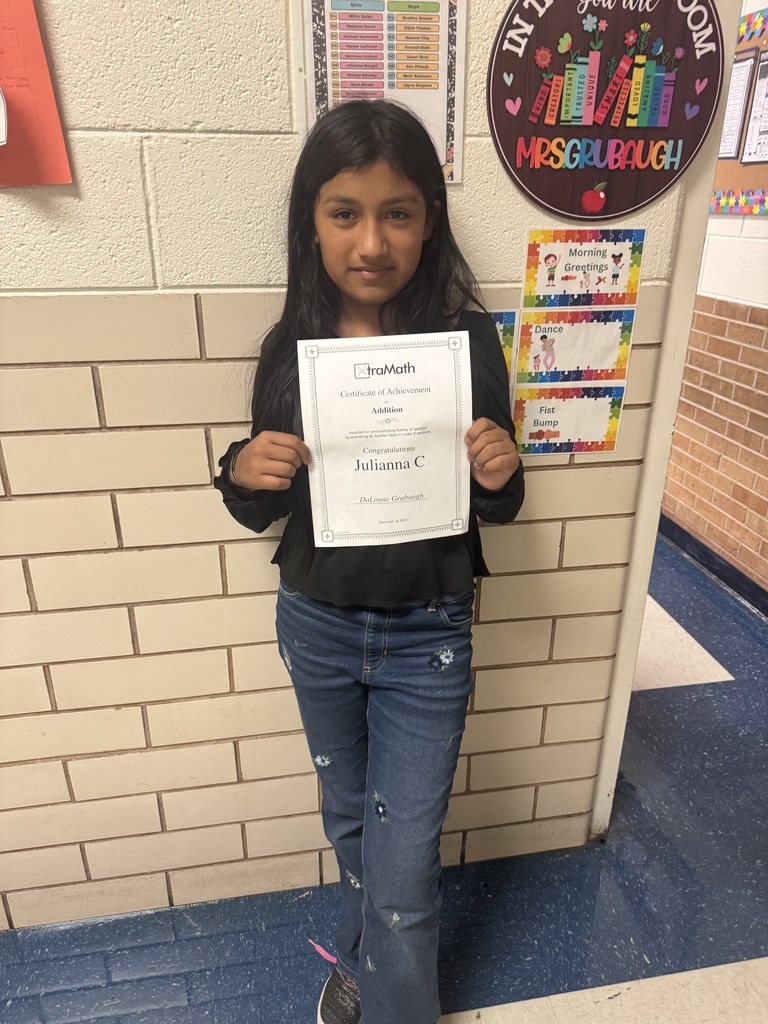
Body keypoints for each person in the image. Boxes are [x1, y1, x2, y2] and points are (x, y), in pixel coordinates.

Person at [214, 99, 524, 1024]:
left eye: (399, 213)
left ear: (429, 218)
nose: (373, 242)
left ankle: (395, 1004)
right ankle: (363, 962)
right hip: (316, 624)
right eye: (344, 212)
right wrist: (242, 468)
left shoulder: (465, 344)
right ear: (311, 222)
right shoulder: (291, 349)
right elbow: (257, 504)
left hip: (429, 636)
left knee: (403, 865)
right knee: (352, 827)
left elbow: (498, 502)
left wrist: (502, 471)